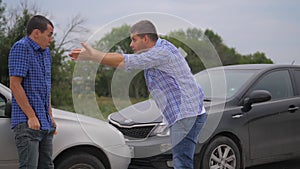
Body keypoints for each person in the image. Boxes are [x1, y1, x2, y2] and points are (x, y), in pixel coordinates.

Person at [69, 20, 206, 169]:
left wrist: (93, 55)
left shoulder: (161, 53)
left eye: (134, 40)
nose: (131, 45)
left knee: (181, 162)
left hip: (186, 114)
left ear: (146, 39)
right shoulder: (161, 48)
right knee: (183, 159)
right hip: (191, 112)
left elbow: (127, 61)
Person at [8, 15, 56, 169]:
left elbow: (46, 87)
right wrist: (31, 116)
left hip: (45, 122)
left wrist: (50, 115)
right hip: (28, 123)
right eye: (49, 35)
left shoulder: (45, 53)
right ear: (36, 33)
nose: (51, 40)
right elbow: (15, 85)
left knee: (47, 166)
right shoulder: (21, 47)